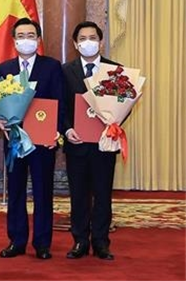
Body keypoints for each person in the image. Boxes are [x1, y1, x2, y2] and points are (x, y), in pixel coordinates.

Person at [0, 17, 64, 260]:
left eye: (31, 35)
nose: (26, 40)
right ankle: (17, 241)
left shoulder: (52, 67)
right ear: (14, 41)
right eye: (21, 36)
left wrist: (57, 130)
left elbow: (59, 101)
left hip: (42, 140)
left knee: (43, 191)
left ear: (38, 39)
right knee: (15, 191)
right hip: (15, 139)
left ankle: (42, 243)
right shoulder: (4, 69)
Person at [62, 21, 119, 261]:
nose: (88, 42)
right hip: (77, 144)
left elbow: (122, 106)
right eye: (83, 39)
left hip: (104, 144)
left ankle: (101, 242)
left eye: (93, 38)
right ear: (75, 44)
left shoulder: (114, 70)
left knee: (103, 195)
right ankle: (80, 241)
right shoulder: (66, 71)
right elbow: (62, 106)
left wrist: (114, 125)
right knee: (78, 195)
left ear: (101, 42)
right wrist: (67, 130)